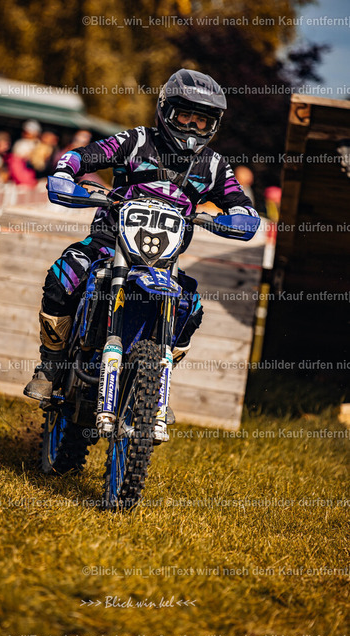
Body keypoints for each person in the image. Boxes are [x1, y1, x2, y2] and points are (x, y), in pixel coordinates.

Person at [24, 68, 259, 416]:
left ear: (213, 125)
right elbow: (84, 155)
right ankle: (51, 364)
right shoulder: (136, 140)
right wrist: (65, 172)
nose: (192, 127)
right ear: (166, 110)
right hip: (109, 243)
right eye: (185, 116)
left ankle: (155, 383)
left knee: (191, 308)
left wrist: (239, 218)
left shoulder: (213, 166)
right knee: (66, 272)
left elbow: (243, 206)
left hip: (163, 262)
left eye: (202, 121)